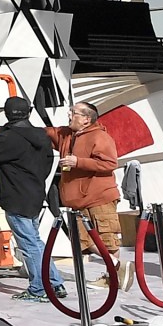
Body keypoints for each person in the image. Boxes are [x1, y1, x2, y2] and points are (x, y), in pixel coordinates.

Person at [0, 99, 60, 303]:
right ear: (29, 112)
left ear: (6, 114)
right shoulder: (41, 135)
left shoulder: (10, 138)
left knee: (29, 244)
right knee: (35, 241)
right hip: (35, 193)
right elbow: (48, 163)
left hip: (16, 196)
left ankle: (39, 288)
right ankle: (55, 283)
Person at [49, 100, 122, 254]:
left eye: (73, 112)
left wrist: (78, 162)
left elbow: (110, 163)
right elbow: (44, 133)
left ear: (86, 119)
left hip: (99, 199)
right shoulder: (66, 135)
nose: (69, 114)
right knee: (83, 243)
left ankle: (116, 269)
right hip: (77, 203)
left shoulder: (100, 136)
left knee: (108, 242)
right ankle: (116, 265)